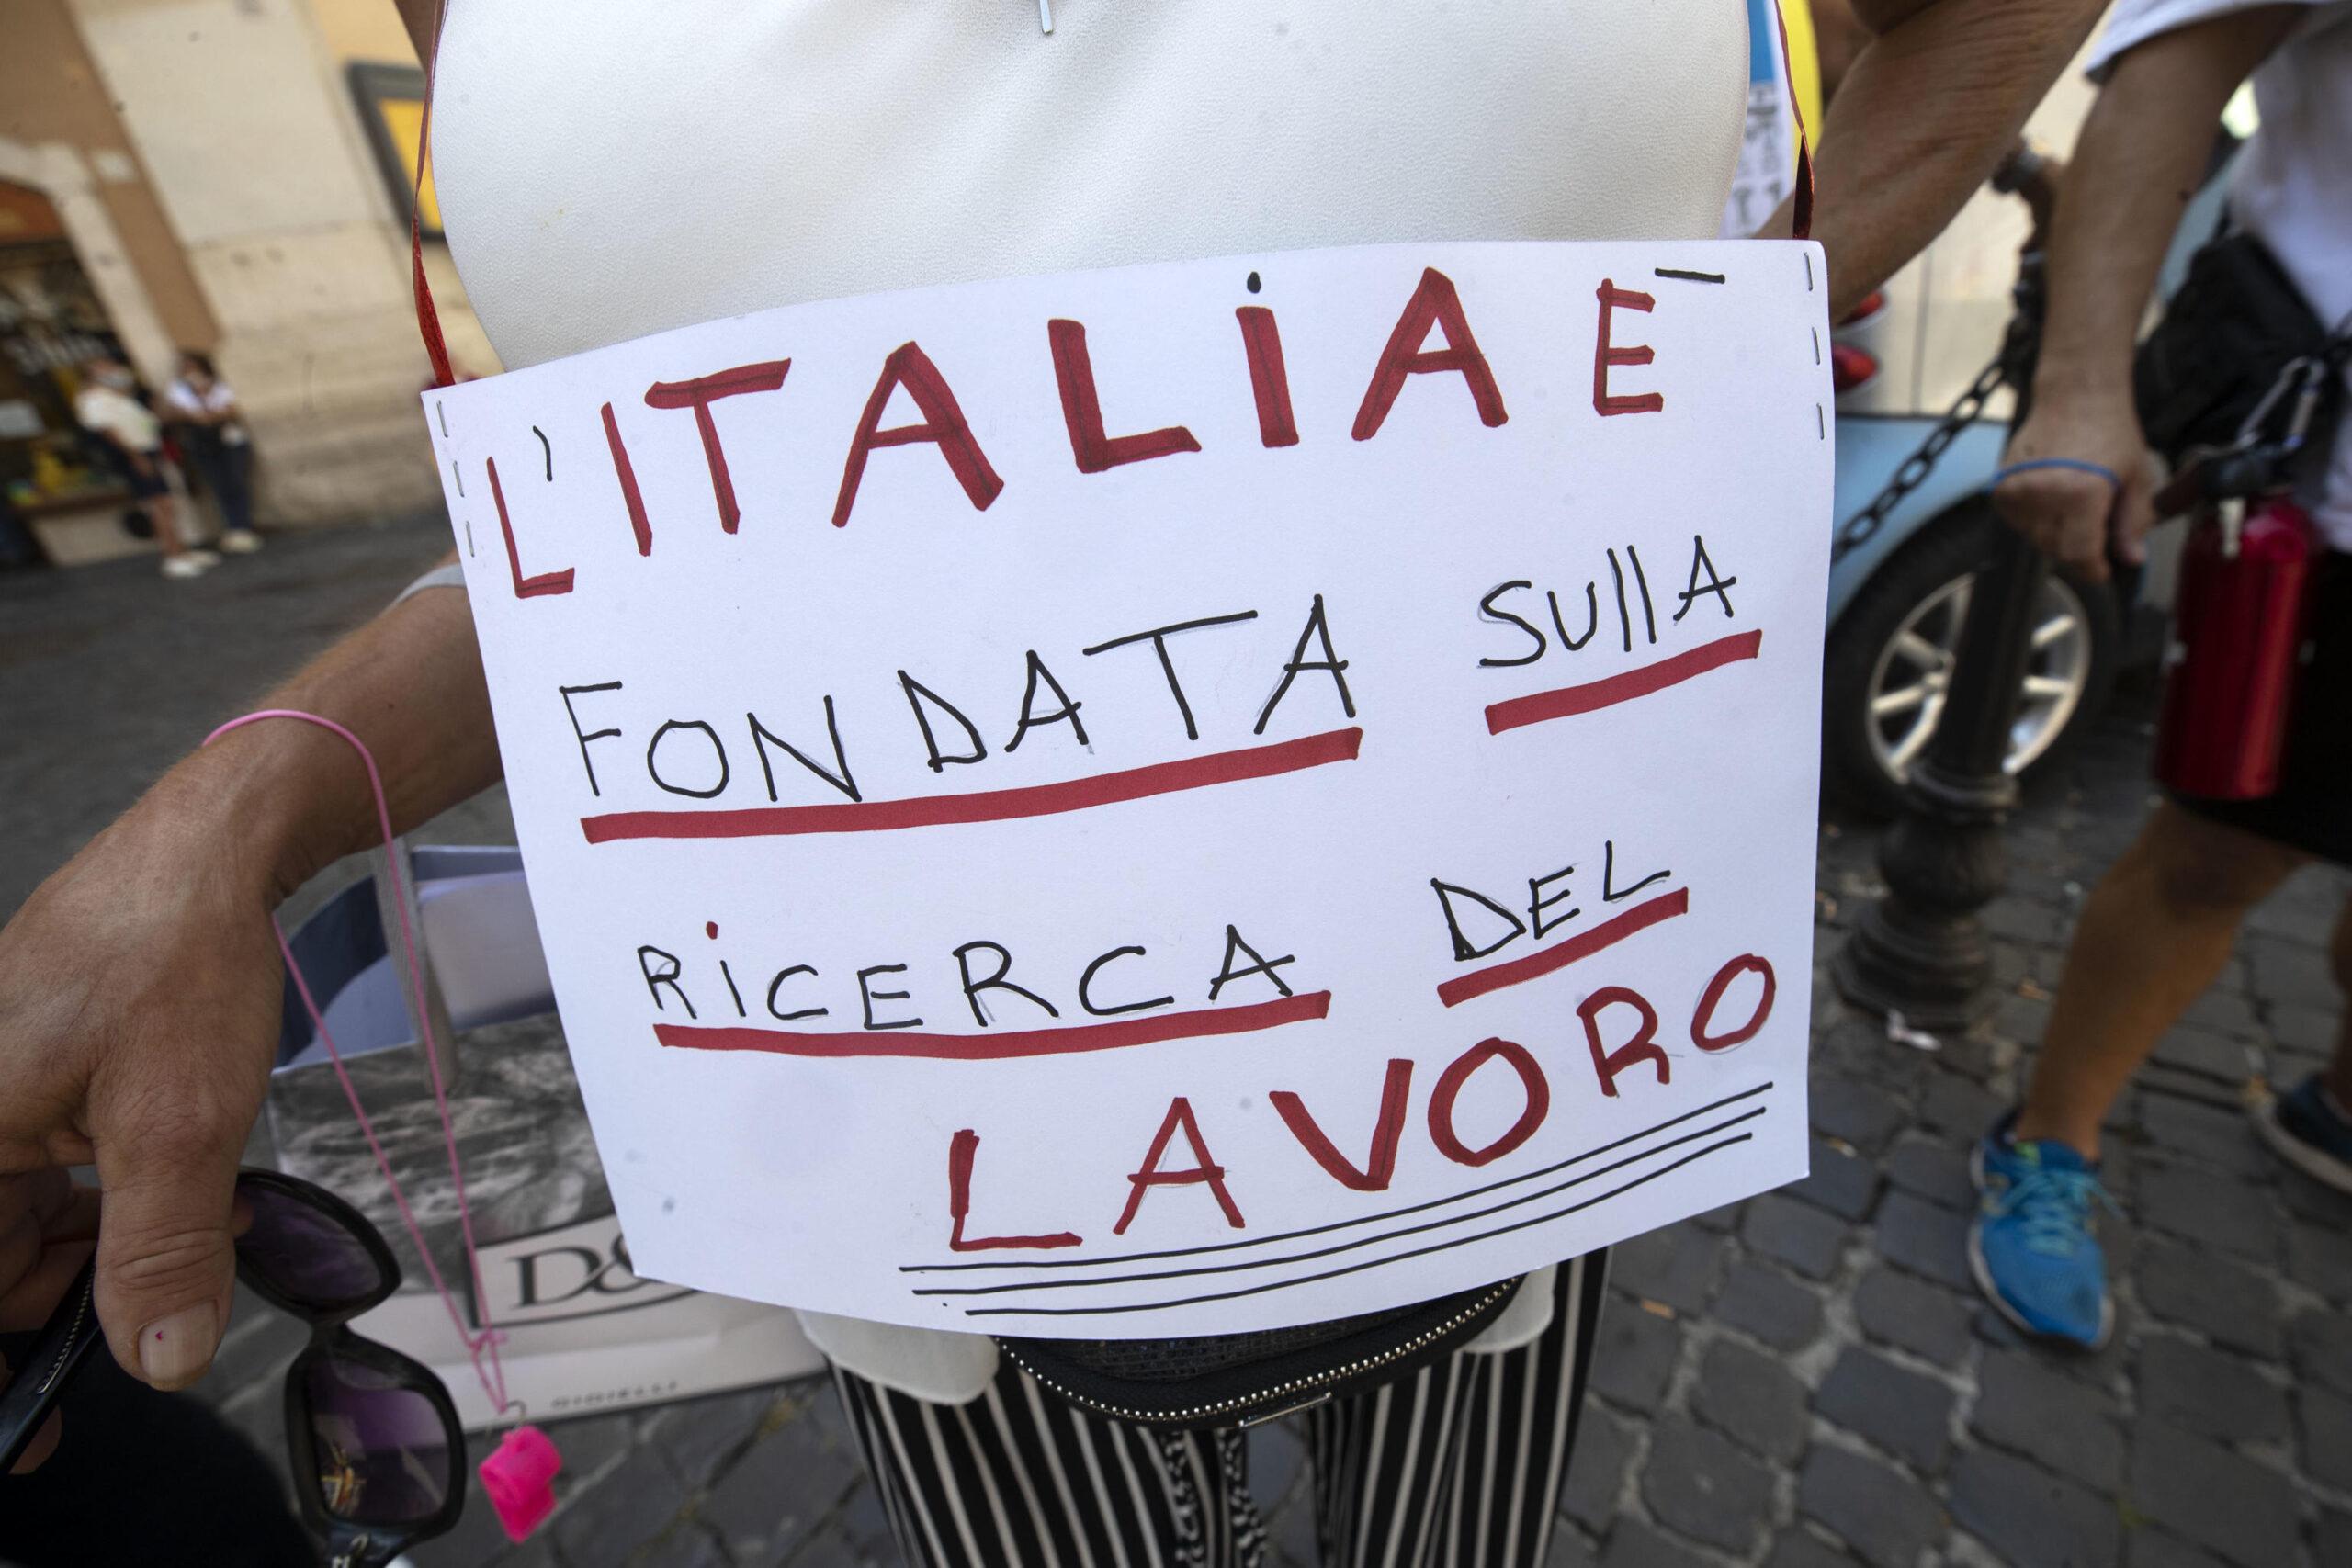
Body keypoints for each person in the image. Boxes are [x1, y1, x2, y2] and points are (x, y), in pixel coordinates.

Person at [0, 1, 2104, 1561]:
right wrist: (231, 805)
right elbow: (671, 525)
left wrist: (1697, 341)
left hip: (1495, 1076)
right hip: (928, 1198)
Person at [1978, 0, 2352, 1348]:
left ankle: (2338, 1105)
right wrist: (2081, 385)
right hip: (2328, 502)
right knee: (2222, 845)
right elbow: (2178, 53)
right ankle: (2048, 1137)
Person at [73, 356, 216, 580]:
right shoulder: (93, 400)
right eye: (103, 367)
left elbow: (144, 421)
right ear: (91, 375)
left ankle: (182, 552)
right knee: (159, 506)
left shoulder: (118, 396)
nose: (112, 369)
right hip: (134, 456)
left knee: (167, 505)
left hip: (147, 451)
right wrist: (136, 456)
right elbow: (109, 432)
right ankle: (172, 557)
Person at [164, 351, 264, 555]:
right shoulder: (178, 391)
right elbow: (180, 414)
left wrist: (206, 401)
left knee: (235, 481)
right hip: (201, 444)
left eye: (193, 367)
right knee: (220, 486)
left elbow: (228, 410)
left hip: (229, 441)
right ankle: (235, 528)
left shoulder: (219, 386)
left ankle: (242, 526)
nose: (190, 372)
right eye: (186, 368)